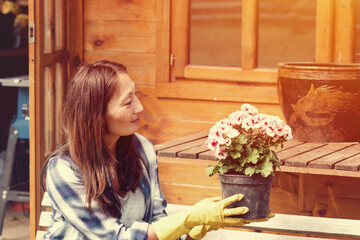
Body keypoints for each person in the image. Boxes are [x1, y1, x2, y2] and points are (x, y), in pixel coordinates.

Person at [40, 60, 256, 240]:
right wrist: (188, 218)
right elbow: (114, 237)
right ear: (97, 114)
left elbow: (157, 221)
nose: (139, 107)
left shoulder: (142, 149)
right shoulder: (63, 169)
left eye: (136, 95)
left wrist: (190, 231)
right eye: (127, 102)